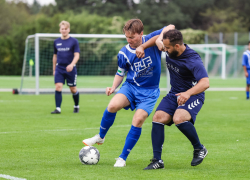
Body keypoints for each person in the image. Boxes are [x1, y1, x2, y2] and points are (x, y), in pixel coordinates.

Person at [82, 19, 175, 167]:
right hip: (131, 87)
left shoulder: (152, 39)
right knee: (112, 105)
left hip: (149, 92)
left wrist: (158, 39)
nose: (129, 40)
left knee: (138, 120)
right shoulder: (124, 52)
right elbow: (121, 72)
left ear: (141, 34)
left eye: (132, 37)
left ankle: (122, 158)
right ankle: (100, 136)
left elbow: (171, 26)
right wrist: (113, 87)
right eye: (127, 37)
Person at [138, 29, 209, 170]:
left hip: (193, 94)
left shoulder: (192, 59)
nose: (165, 50)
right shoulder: (168, 47)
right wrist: (142, 46)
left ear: (177, 46)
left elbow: (205, 83)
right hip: (174, 94)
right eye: (164, 47)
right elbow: (159, 38)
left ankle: (199, 149)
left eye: (168, 48)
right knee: (158, 117)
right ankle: (157, 161)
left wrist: (188, 93)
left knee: (179, 118)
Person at [51, 21, 80, 114]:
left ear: (69, 29)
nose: (64, 30)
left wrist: (71, 64)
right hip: (59, 68)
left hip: (70, 69)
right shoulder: (56, 41)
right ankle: (58, 108)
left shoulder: (74, 41)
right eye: (62, 29)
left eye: (66, 29)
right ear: (60, 30)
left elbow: (77, 55)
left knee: (73, 89)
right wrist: (54, 69)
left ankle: (76, 106)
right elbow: (55, 56)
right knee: (58, 87)